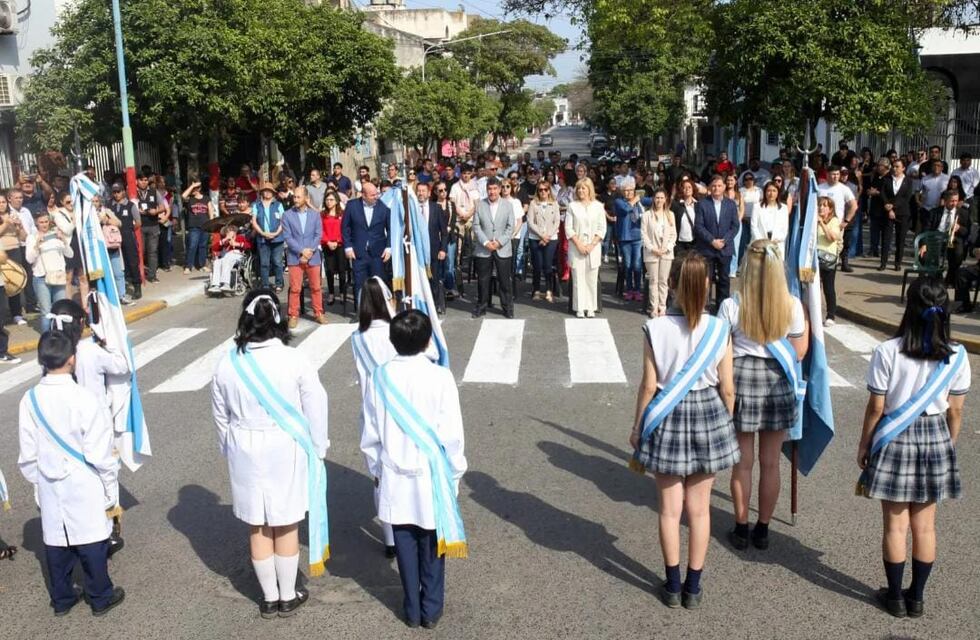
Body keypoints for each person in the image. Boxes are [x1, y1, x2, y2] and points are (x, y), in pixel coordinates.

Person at [628, 253, 738, 609]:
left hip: (667, 413)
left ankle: (672, 585)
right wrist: (728, 421)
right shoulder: (720, 329)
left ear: (672, 285)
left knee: (669, 510)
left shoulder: (655, 328)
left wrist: (637, 426)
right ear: (707, 286)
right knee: (700, 511)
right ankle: (694, 586)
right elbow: (728, 388)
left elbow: (648, 385)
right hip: (708, 412)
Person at [211, 290, 330, 618]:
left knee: (258, 525)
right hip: (285, 445)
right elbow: (316, 405)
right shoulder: (295, 359)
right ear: (278, 318)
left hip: (244, 447)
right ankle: (288, 594)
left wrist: (228, 447)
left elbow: (220, 415)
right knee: (285, 522)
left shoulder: (227, 363)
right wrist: (318, 447)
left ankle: (268, 596)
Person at [857, 277, 968, 619]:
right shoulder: (958, 354)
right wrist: (948, 443)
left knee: (895, 525)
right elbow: (957, 409)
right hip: (935, 434)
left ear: (908, 309)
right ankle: (916, 597)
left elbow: (877, 408)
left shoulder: (887, 351)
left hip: (895, 437)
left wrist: (865, 444)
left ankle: (893, 597)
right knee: (925, 526)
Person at [360, 309, 468, 629]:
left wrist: (375, 468)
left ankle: (412, 608)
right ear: (426, 341)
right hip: (432, 472)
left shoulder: (378, 376)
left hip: (394, 469)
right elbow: (452, 432)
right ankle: (431, 609)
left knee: (404, 541)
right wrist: (456, 471)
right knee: (432, 543)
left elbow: (370, 432)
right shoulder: (440, 376)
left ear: (392, 341)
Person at [18, 331, 125, 616]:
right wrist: (109, 487)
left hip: (49, 479)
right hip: (84, 478)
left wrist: (41, 481)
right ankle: (100, 596)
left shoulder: (29, 400)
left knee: (56, 541)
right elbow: (101, 453)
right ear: (72, 359)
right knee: (91, 539)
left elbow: (27, 455)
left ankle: (62, 598)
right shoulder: (85, 398)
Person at [717, 240, 808, 551]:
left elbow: (720, 350)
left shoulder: (733, 304)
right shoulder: (793, 305)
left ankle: (741, 528)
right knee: (771, 463)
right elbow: (798, 351)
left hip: (741, 379)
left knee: (742, 462)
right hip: (777, 381)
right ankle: (763, 529)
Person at [48, 299, 130, 555]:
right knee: (105, 476)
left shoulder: (50, 351)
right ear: (81, 324)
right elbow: (122, 366)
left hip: (64, 428)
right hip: (95, 424)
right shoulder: (89, 350)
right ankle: (107, 530)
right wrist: (108, 340)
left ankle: (76, 531)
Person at [350, 277, 398, 557]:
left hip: (371, 407)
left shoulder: (357, 338)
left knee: (379, 472)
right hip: (398, 407)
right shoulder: (396, 331)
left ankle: (389, 538)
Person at [282, 187, 327, 327]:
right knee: (295, 288)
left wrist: (309, 251)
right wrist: (301, 251)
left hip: (313, 257)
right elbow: (288, 237)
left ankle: (318, 313)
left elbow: (318, 235)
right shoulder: (287, 215)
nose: (295, 199)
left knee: (316, 287)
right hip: (295, 257)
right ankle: (293, 314)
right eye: (294, 197)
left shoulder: (315, 215)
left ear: (306, 198)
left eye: (298, 197)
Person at [472, 178, 515, 318]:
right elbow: (476, 226)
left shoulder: (508, 205)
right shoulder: (480, 205)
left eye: (495, 189)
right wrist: (486, 242)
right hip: (484, 249)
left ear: (499, 189)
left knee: (504, 280)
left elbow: (510, 227)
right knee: (483, 280)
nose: (492, 192)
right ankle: (482, 306)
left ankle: (507, 308)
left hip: (502, 248)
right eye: (490, 189)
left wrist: (499, 242)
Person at [342, 182, 391, 304]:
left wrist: (389, 247)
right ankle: (360, 312)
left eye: (377, 194)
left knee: (378, 283)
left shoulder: (383, 207)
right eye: (372, 195)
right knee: (359, 283)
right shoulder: (352, 206)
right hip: (358, 252)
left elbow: (391, 229)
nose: (376, 197)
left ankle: (379, 311)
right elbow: (345, 227)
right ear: (363, 195)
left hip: (377, 253)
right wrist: (348, 246)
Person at [694, 176, 739, 307]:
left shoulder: (730, 204)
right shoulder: (702, 204)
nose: (716, 188)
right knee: (706, 279)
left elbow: (735, 226)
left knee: (724, 280)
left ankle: (722, 308)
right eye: (713, 186)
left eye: (719, 185)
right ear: (709, 187)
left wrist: (724, 241)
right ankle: (704, 307)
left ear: (724, 187)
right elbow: (699, 226)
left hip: (725, 248)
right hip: (707, 248)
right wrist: (712, 241)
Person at [27, 211, 73, 333]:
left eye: (46, 221)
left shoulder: (55, 236)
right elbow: (29, 259)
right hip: (41, 277)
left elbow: (70, 254)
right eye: (41, 222)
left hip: (58, 276)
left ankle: (61, 337)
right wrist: (37, 244)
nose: (44, 224)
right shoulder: (31, 237)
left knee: (60, 310)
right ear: (37, 223)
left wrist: (63, 240)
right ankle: (47, 338)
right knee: (46, 312)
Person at [567, 178, 606, 318]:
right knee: (578, 278)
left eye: (584, 188)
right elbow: (569, 228)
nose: (581, 191)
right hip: (577, 247)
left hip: (593, 247)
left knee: (591, 278)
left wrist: (591, 245)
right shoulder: (572, 206)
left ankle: (590, 307)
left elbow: (602, 228)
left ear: (590, 189)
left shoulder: (598, 206)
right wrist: (579, 245)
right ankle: (579, 307)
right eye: (579, 188)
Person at [641, 188, 677, 318]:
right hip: (651, 253)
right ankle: (654, 307)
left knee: (663, 281)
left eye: (662, 198)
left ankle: (663, 307)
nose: (659, 200)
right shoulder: (646, 215)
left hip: (666, 253)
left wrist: (666, 248)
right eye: (657, 198)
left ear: (665, 199)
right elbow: (644, 235)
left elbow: (673, 235)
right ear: (653, 199)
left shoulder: (670, 214)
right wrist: (653, 248)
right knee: (653, 280)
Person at [614, 178, 650, 303]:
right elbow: (626, 209)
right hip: (625, 237)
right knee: (628, 264)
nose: (629, 192)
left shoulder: (639, 200)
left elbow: (652, 200)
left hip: (638, 236)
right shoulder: (619, 201)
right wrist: (635, 199)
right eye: (626, 190)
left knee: (637, 264)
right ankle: (629, 289)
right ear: (622, 191)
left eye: (631, 190)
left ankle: (637, 290)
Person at [924, 189, 969, 287]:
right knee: (932, 252)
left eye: (956, 201)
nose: (954, 203)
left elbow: (966, 231)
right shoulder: (934, 212)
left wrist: (959, 228)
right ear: (945, 201)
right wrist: (925, 243)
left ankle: (950, 277)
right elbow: (927, 229)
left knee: (958, 254)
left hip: (954, 239)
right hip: (938, 236)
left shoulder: (963, 213)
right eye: (952, 201)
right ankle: (937, 276)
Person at [416, 183, 448, 313]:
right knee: (419, 280)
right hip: (417, 250)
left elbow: (444, 232)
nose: (421, 193)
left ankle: (434, 305)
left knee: (433, 279)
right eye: (418, 191)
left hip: (433, 250)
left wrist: (443, 249)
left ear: (429, 193)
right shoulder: (412, 208)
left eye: (423, 191)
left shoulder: (436, 208)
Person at [527, 179, 560, 303]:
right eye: (540, 190)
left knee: (547, 265)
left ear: (549, 191)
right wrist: (541, 235)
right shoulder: (533, 203)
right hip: (536, 238)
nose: (543, 192)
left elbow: (556, 222)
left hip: (551, 238)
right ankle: (535, 289)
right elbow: (530, 221)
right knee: (537, 265)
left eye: (545, 189)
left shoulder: (554, 204)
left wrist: (548, 236)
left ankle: (548, 289)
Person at [880, 158, 913, 271]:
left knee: (901, 238)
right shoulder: (886, 179)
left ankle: (897, 263)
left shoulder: (908, 181)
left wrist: (893, 207)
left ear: (903, 168)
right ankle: (883, 262)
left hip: (902, 212)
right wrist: (888, 207)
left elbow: (906, 197)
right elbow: (883, 193)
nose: (895, 169)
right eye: (893, 166)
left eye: (897, 166)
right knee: (886, 238)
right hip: (887, 211)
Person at [252, 182, 286, 292]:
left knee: (277, 262)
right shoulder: (256, 205)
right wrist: (262, 233)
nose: (267, 192)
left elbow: (283, 221)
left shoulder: (278, 205)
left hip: (277, 238)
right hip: (262, 238)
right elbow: (254, 221)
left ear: (273, 193)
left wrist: (276, 233)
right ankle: (265, 284)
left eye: (269, 191)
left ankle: (279, 283)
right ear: (261, 192)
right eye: (265, 191)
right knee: (264, 263)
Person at [0, 192, 28, 322]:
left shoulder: (12, 215)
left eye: (4, 202)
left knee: (15, 280)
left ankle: (16, 313)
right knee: (3, 284)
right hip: (1, 252)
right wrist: (6, 223)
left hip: (15, 249)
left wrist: (19, 226)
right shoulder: (5, 219)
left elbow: (23, 237)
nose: (2, 205)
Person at [816, 197, 842, 326]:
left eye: (825, 206)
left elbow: (832, 238)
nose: (821, 208)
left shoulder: (834, 221)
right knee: (813, 287)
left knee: (828, 287)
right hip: (814, 257)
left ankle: (831, 315)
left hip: (827, 258)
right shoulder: (812, 220)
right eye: (820, 205)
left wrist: (821, 223)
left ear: (830, 209)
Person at [182, 180, 216, 275]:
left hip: (205, 225)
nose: (194, 190)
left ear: (199, 189)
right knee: (192, 246)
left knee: (203, 246)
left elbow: (211, 211)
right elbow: (183, 196)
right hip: (194, 226)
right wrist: (192, 186)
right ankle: (188, 266)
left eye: (196, 188)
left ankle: (202, 265)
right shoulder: (190, 199)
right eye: (193, 189)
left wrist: (211, 224)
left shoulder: (206, 199)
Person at [136, 172, 165, 283]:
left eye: (146, 180)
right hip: (139, 226)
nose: (144, 182)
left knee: (152, 251)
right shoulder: (133, 193)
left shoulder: (154, 192)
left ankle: (152, 276)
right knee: (140, 251)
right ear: (137, 181)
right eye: (141, 180)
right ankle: (139, 275)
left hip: (153, 225)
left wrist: (155, 211)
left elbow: (162, 207)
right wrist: (136, 211)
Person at [208, 223, 251, 295]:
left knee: (226, 260)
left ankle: (226, 284)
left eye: (231, 231)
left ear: (234, 232)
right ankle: (215, 285)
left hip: (236, 255)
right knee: (217, 262)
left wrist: (237, 244)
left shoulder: (240, 237)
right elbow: (214, 248)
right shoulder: (224, 241)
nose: (229, 233)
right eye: (227, 232)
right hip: (226, 256)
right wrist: (224, 240)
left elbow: (248, 246)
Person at [750, 181, 789, 258]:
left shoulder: (783, 208)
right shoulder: (757, 207)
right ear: (765, 192)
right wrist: (763, 242)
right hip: (759, 246)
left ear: (778, 193)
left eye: (774, 191)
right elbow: (753, 227)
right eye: (769, 191)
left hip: (776, 245)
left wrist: (776, 240)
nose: (771, 194)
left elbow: (785, 229)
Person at [320, 190, 346, 306]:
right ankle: (331, 293)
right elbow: (320, 231)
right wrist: (327, 241)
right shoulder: (322, 215)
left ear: (336, 201)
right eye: (327, 200)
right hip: (327, 245)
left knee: (341, 270)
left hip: (340, 245)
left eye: (331, 200)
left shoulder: (342, 214)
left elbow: (345, 230)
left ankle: (342, 292)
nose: (329, 202)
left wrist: (338, 241)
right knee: (329, 270)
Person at [671, 179, 698, 257]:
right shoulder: (676, 205)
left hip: (694, 242)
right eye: (684, 187)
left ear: (693, 189)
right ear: (681, 190)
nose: (687, 189)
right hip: (680, 243)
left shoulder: (698, 205)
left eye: (689, 187)